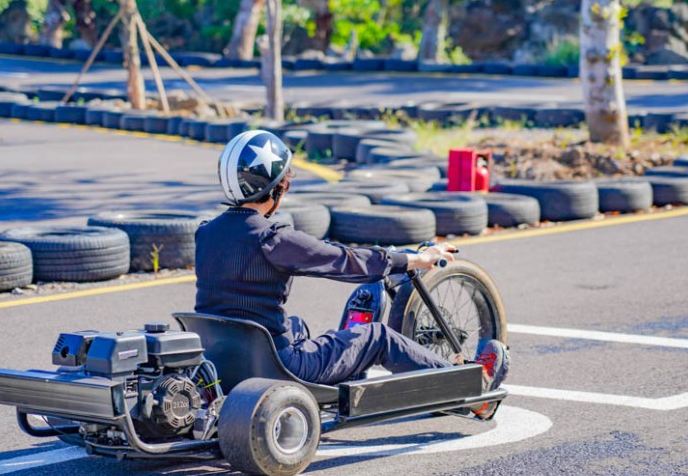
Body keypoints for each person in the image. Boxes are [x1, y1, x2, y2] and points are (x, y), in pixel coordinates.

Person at [194, 130, 509, 418]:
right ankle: (477, 392)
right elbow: (343, 261)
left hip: (225, 363)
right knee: (377, 336)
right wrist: (412, 259)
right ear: (279, 186)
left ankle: (350, 375)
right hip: (279, 366)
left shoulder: (205, 233)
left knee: (295, 325)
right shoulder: (272, 238)